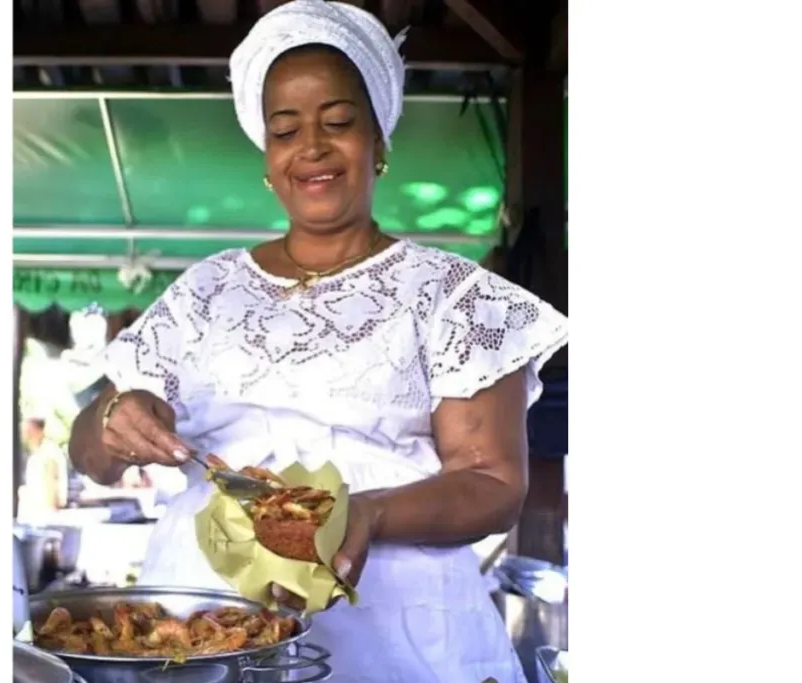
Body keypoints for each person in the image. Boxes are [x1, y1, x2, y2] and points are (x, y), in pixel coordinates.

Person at [68, 1, 568, 680]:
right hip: (208, 624)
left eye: (337, 122)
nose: (311, 147)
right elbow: (90, 453)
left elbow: (493, 483)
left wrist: (367, 513)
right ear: (268, 158)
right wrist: (112, 419)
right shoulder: (203, 292)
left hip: (402, 636)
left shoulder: (452, 296)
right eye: (285, 129)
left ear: (379, 141)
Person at [17, 411, 70, 522]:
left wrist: (49, 514)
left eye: (29, 430)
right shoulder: (35, 454)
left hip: (46, 515)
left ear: (39, 431)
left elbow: (52, 486)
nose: (26, 434)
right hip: (37, 514)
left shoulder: (48, 452)